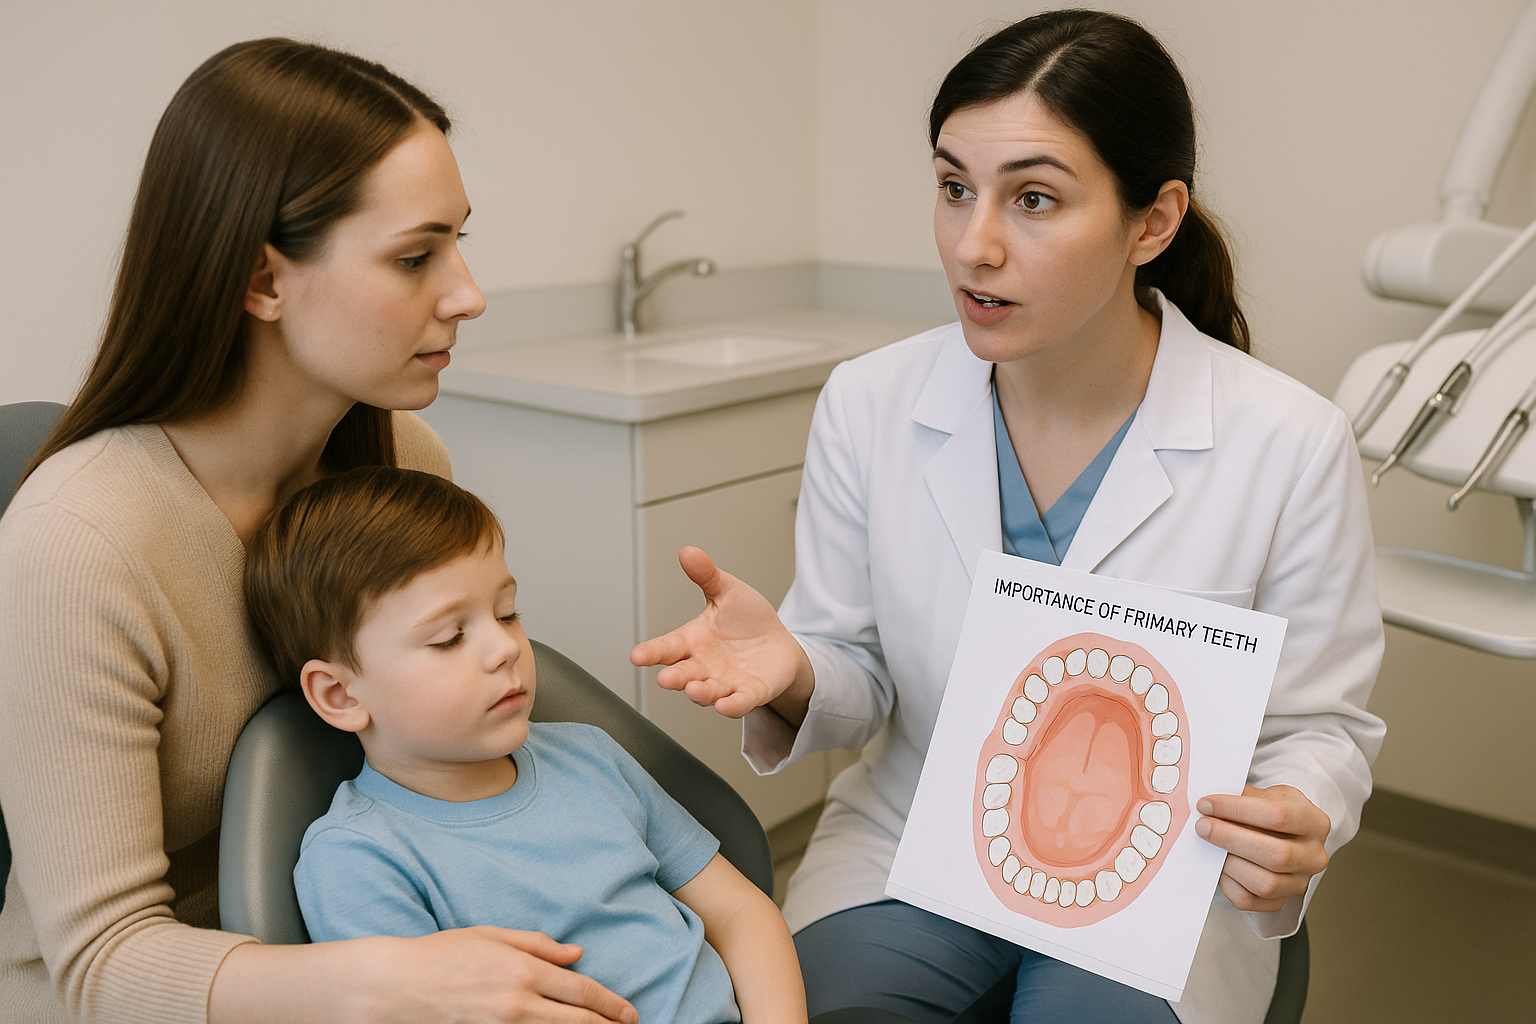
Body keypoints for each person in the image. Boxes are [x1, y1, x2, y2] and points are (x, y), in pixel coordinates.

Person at [632, 10, 1385, 1024]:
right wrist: (799, 669)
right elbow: (861, 670)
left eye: (1034, 198)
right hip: (915, 839)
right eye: (953, 189)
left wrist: (1303, 810)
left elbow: (1317, 725)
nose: (973, 245)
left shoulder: (1289, 441)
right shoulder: (870, 401)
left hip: (1159, 874)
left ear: (1153, 221)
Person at [0, 38, 642, 1024]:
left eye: (459, 244)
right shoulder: (77, 545)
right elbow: (99, 966)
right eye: (415, 256)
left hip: (386, 942)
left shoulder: (406, 461)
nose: (468, 293)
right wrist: (390, 980)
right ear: (263, 281)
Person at [242, 466, 807, 1024]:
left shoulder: (593, 759)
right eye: (449, 638)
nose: (505, 647)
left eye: (507, 613)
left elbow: (739, 914)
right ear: (340, 695)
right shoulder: (358, 859)